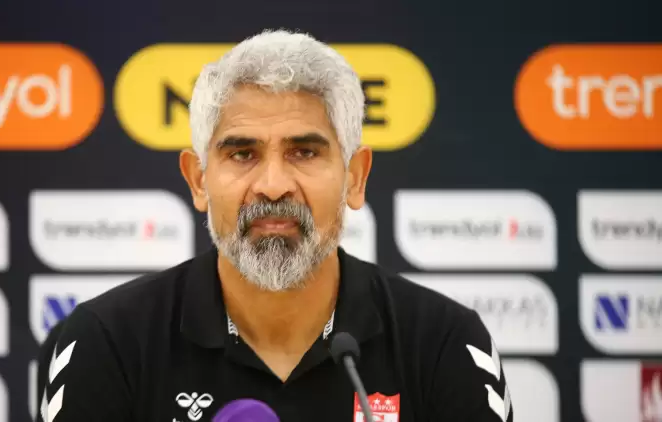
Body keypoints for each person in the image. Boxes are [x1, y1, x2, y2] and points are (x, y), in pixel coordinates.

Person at [36, 29, 513, 422]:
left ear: (355, 177)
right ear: (198, 181)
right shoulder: (108, 341)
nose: (273, 185)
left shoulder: (444, 342)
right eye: (242, 154)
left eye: (304, 152)